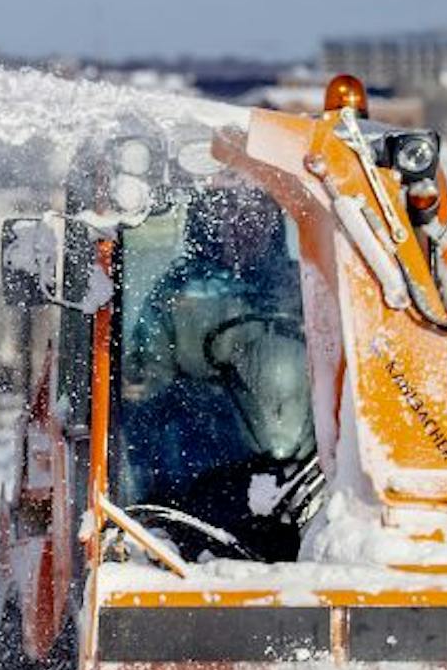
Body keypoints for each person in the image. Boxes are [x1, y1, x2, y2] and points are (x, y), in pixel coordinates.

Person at [122, 183, 314, 557]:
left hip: (306, 454)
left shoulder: (303, 285)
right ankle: (175, 529)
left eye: (255, 215)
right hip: (208, 455)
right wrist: (145, 381)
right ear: (207, 224)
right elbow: (149, 370)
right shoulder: (179, 292)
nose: (242, 226)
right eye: (227, 215)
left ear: (273, 223)